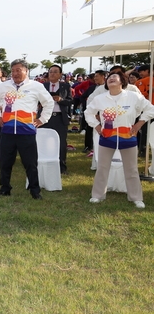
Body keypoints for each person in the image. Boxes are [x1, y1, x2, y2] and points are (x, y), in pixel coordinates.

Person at [84, 72, 154, 208]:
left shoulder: (133, 97)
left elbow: (150, 109)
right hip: (106, 138)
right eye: (109, 78)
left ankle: (136, 197)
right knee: (102, 168)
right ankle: (97, 195)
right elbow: (88, 113)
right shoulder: (100, 98)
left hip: (128, 138)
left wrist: (139, 124)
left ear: (122, 81)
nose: (111, 79)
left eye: (114, 77)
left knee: (131, 169)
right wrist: (97, 126)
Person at [0, 59, 54, 200]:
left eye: (18, 70)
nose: (15, 73)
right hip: (7, 131)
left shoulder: (36, 86)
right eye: (13, 71)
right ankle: (5, 188)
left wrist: (42, 120)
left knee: (30, 162)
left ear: (26, 71)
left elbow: (48, 103)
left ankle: (34, 190)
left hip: (27, 131)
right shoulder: (4, 86)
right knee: (5, 162)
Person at [40, 64, 72, 174]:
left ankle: (62, 166)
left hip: (59, 118)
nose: (52, 74)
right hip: (45, 118)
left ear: (60, 74)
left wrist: (60, 99)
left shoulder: (65, 86)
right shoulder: (42, 86)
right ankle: (44, 164)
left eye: (55, 72)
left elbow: (70, 101)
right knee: (44, 141)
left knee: (61, 143)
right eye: (50, 72)